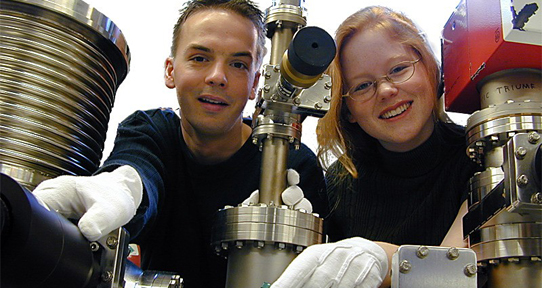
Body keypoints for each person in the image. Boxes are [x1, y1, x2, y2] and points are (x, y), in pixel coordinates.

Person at [32, 0, 327, 287]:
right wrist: (124, 187)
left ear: (254, 84)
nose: (217, 77)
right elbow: (138, 164)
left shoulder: (294, 163)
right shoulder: (150, 130)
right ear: (171, 71)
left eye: (238, 64)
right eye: (200, 58)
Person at [272, 6, 480, 288]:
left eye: (398, 69)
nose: (385, 91)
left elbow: (456, 272)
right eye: (362, 86)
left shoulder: (479, 155)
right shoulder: (339, 184)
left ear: (431, 69)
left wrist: (383, 259)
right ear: (348, 111)